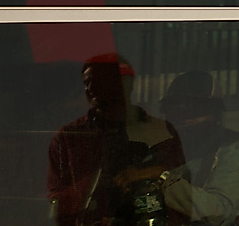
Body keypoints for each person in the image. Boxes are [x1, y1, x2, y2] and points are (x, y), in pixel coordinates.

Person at [46, 54, 185, 226]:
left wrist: (152, 172)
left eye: (99, 80)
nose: (90, 88)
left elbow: (181, 186)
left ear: (126, 84)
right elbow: (56, 196)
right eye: (86, 82)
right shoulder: (69, 137)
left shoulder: (160, 131)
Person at [156, 71, 239, 226]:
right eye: (177, 112)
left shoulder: (236, 151)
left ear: (215, 113)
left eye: (196, 111)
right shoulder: (168, 149)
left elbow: (219, 212)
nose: (186, 119)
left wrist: (161, 177)